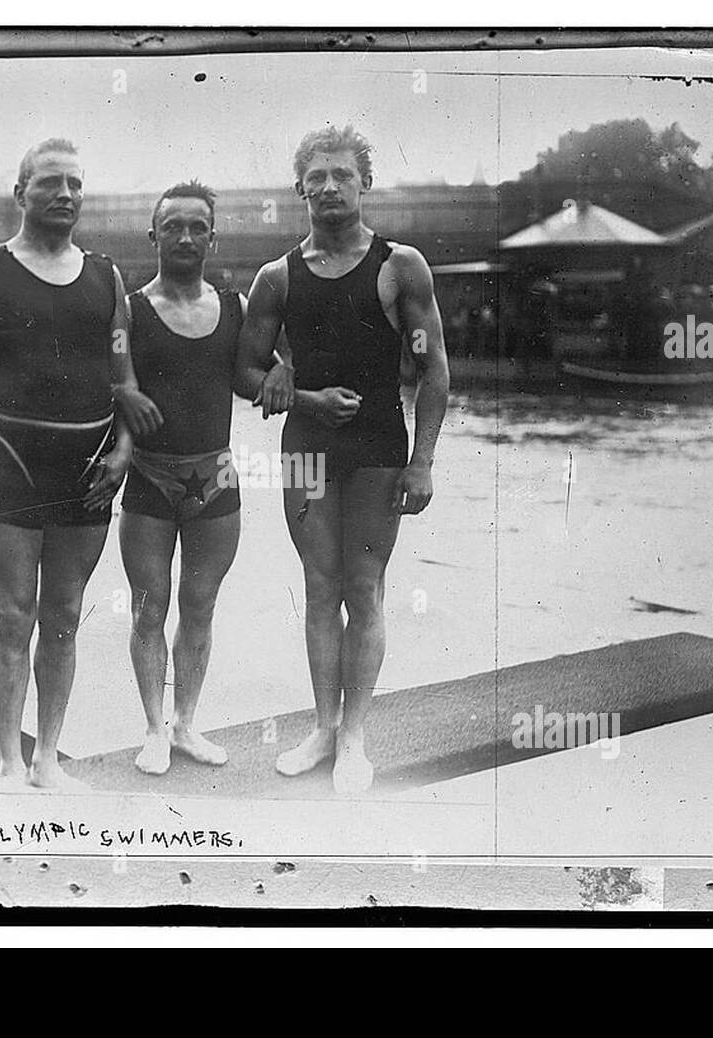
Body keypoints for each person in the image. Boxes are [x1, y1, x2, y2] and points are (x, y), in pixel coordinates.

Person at [0, 137, 161, 791]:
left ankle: (46, 761)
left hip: (86, 468)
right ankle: (9, 762)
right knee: (14, 614)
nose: (64, 195)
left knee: (64, 618)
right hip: (10, 459)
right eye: (49, 184)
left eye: (74, 185)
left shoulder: (106, 275)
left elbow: (124, 379)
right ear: (21, 194)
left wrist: (123, 451)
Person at [236, 124, 450, 794]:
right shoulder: (277, 278)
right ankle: (323, 729)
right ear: (300, 187)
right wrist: (300, 393)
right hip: (305, 447)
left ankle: (355, 739)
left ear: (364, 184)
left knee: (364, 588)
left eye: (343, 175)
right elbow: (245, 370)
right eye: (317, 177)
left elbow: (435, 370)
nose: (330, 187)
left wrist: (424, 462)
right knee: (320, 587)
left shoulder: (400, 267)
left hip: (380, 447)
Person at [120, 181, 245, 775]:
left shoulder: (235, 306)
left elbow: (258, 369)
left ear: (213, 237)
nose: (187, 236)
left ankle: (187, 726)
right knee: (149, 609)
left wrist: (284, 376)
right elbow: (109, 380)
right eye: (174, 226)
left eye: (198, 227)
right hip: (149, 480)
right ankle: (152, 729)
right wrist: (125, 400)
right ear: (154, 235)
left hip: (216, 480)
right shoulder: (131, 308)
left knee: (199, 607)